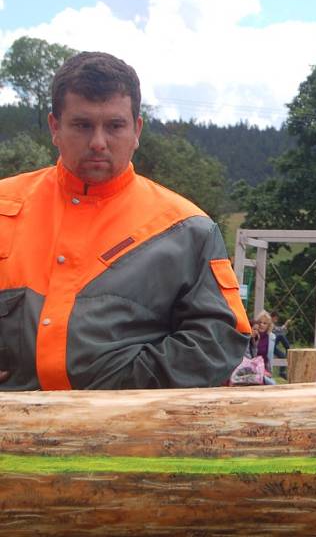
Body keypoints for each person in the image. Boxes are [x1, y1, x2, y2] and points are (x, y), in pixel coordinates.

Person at [0, 51, 250, 390]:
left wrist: (123, 389)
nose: (98, 143)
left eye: (114, 126)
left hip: (125, 437)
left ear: (136, 130)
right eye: (82, 125)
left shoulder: (187, 229)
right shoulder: (5, 206)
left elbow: (220, 338)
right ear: (55, 127)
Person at [270, 311, 291, 379]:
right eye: (276, 319)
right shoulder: (269, 323)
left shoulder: (272, 324)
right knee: (281, 336)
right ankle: (288, 349)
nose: (276, 320)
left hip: (272, 345)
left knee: (282, 356)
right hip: (269, 343)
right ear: (273, 317)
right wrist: (286, 324)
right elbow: (279, 330)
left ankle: (282, 372)